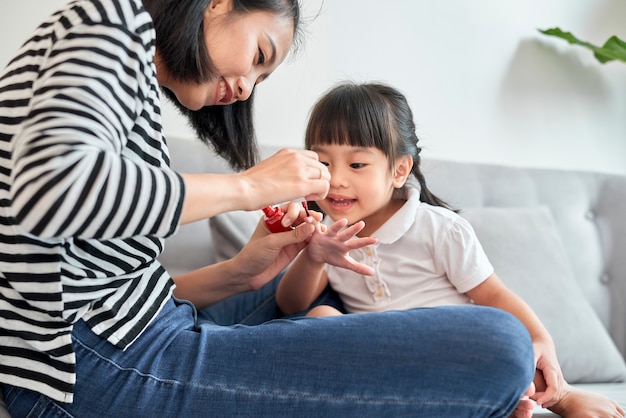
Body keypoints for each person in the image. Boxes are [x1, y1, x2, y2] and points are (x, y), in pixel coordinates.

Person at [0, 1, 537, 416]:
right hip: (87, 369)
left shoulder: (131, 67)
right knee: (501, 346)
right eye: (259, 56)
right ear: (215, 3)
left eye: (261, 79)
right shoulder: (110, 20)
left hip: (124, 335)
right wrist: (249, 186)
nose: (245, 89)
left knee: (322, 280)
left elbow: (105, 289)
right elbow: (50, 191)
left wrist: (241, 273)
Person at [276, 81, 626, 418]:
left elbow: (494, 295)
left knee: (507, 348)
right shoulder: (326, 234)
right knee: (319, 318)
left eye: (356, 165)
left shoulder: (439, 228)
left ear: (399, 170)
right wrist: (315, 255)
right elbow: (290, 304)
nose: (336, 179)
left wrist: (541, 342)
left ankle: (559, 396)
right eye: (323, 162)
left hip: (449, 349)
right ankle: (472, 405)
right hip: (381, 364)